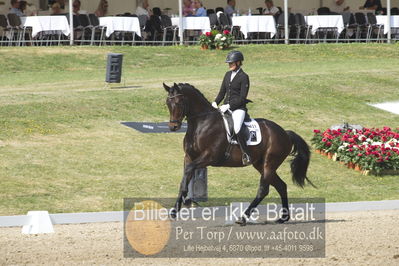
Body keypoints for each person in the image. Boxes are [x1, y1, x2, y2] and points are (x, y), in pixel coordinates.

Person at [212, 51, 252, 165]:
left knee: (237, 128)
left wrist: (229, 105)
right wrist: (215, 102)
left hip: (238, 109)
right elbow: (222, 92)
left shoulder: (244, 77)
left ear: (239, 63)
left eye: (231, 63)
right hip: (225, 107)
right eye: (229, 63)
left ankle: (246, 154)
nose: (229, 65)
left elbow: (242, 98)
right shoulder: (227, 75)